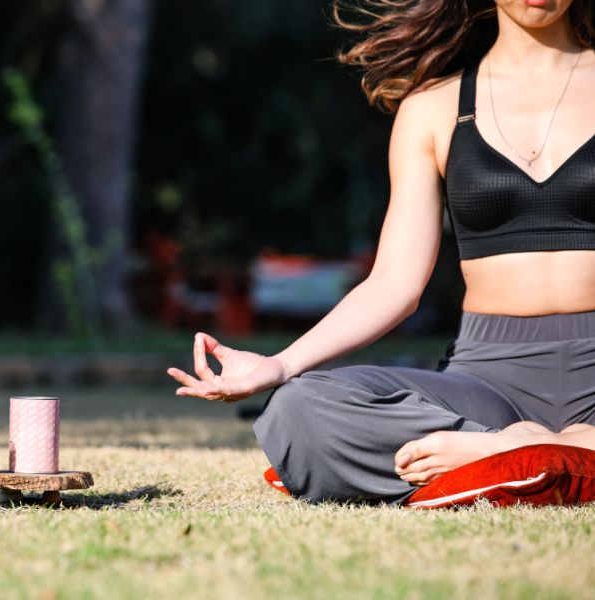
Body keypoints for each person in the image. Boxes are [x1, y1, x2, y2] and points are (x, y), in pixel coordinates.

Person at [167, 0, 595, 504]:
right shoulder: (432, 107)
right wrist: (279, 366)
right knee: (300, 408)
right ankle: (512, 449)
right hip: (489, 384)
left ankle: (519, 455)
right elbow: (394, 282)